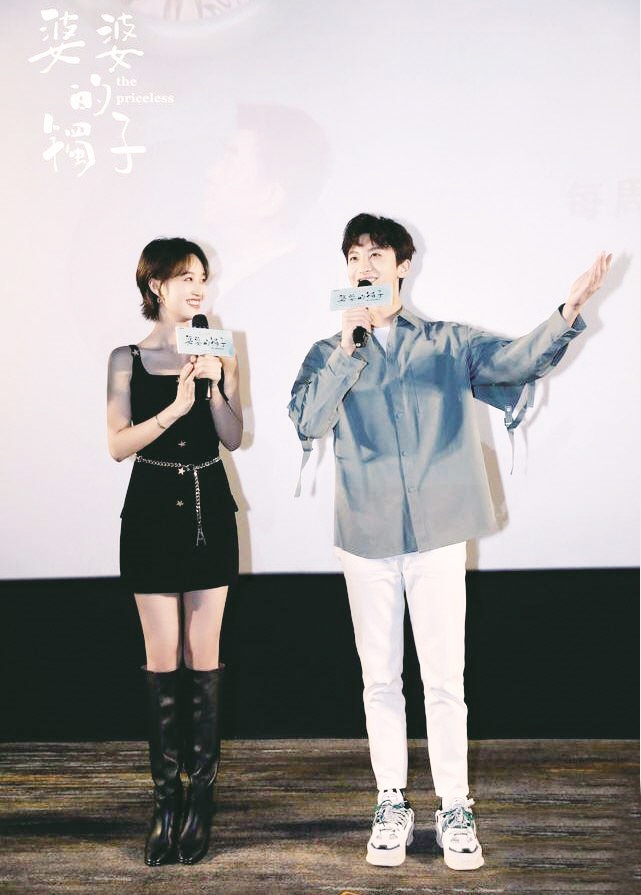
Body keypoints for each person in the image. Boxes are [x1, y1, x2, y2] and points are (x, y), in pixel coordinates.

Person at [288, 213, 611, 871]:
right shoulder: (328, 351)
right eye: (355, 256)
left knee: (443, 679)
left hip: (436, 533)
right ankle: (390, 801)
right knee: (379, 678)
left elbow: (517, 359)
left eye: (377, 254)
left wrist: (567, 311)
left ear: (403, 266)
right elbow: (307, 420)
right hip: (365, 534)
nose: (365, 266)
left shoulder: (446, 342)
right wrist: (348, 349)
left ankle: (455, 805)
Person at [107, 237, 243, 866]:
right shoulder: (126, 358)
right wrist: (175, 408)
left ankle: (201, 800)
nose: (197, 288)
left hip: (208, 505)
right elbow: (116, 444)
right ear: (155, 285)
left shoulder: (219, 345)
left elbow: (234, 437)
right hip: (152, 510)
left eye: (202, 277)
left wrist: (215, 388)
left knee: (204, 653)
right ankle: (166, 801)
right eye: (185, 277)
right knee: (162, 656)